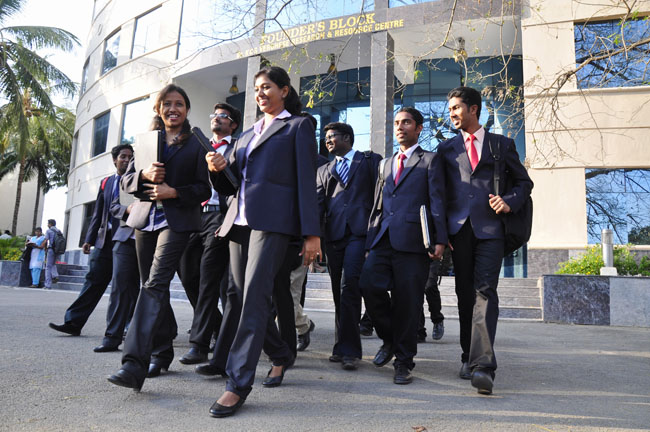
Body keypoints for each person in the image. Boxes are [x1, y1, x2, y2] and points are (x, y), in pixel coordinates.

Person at [205, 66, 320, 418]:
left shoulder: (298, 126)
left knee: (255, 297)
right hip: (238, 223)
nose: (260, 93)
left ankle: (237, 383)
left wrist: (312, 234)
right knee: (243, 298)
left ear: (284, 90)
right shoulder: (246, 134)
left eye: (267, 87)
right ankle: (281, 353)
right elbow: (231, 184)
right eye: (256, 88)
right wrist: (216, 168)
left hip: (274, 223)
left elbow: (306, 182)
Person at [107, 84, 211, 391]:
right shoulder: (145, 141)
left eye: (179, 104)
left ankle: (133, 364)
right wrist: (144, 176)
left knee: (154, 284)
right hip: (144, 221)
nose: (173, 109)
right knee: (152, 287)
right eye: (167, 103)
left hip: (176, 223)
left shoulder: (196, 144)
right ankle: (162, 352)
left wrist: (173, 192)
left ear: (187, 110)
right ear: (158, 108)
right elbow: (125, 182)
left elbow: (203, 189)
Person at [436, 86, 533, 395]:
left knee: (486, 292)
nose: (451, 113)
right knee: (465, 295)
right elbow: (439, 195)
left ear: (474, 109)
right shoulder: (446, 149)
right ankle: (468, 355)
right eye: (450, 109)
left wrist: (509, 201)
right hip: (459, 233)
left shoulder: (501, 145)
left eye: (456, 108)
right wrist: (441, 236)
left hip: (492, 231)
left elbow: (524, 183)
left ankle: (483, 366)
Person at [359, 107, 447, 385]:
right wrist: (370, 241)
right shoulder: (385, 164)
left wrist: (440, 239)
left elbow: (437, 201)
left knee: (408, 303)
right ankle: (390, 340)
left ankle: (404, 362)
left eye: (406, 122)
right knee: (368, 285)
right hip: (383, 239)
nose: (400, 127)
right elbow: (377, 206)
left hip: (414, 241)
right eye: (397, 122)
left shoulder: (430, 160)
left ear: (418, 128)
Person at [177, 102, 241, 365]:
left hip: (220, 215)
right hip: (193, 214)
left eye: (223, 115)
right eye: (214, 115)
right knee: (186, 273)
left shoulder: (238, 147)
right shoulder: (197, 146)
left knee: (209, 278)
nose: (217, 118)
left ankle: (199, 345)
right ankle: (218, 326)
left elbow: (239, 182)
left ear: (233, 124)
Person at [48, 145, 133, 340]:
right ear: (114, 160)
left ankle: (128, 327)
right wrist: (89, 238)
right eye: (123, 156)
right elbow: (98, 213)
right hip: (104, 241)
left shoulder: (135, 180)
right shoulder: (106, 183)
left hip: (126, 240)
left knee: (125, 285)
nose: (127, 160)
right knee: (93, 281)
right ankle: (73, 323)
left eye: (130, 156)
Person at [316, 121, 382, 370]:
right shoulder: (324, 169)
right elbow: (318, 205)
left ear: (347, 138)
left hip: (360, 234)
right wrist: (314, 239)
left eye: (332, 136)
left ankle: (350, 351)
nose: (327, 141)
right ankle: (341, 346)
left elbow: (380, 197)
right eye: (325, 138)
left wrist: (376, 235)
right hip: (334, 236)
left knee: (349, 287)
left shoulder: (369, 161)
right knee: (338, 292)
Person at [44, 219, 62, 289]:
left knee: (48, 266)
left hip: (51, 249)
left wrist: (45, 249)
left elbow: (46, 240)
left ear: (50, 224)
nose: (47, 225)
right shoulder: (59, 231)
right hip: (57, 250)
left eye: (48, 223)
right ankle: (55, 275)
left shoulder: (48, 231)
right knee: (53, 264)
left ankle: (48, 285)